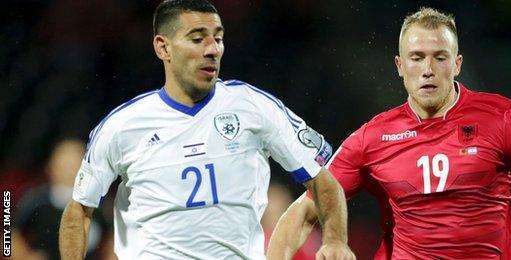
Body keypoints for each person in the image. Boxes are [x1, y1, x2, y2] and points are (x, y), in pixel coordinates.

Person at [267, 7, 511, 260]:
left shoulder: (503, 118)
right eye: (417, 58)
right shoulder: (373, 137)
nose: (428, 69)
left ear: (458, 64)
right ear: (398, 65)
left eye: (440, 57)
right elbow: (301, 212)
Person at [58, 1, 354, 259]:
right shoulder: (122, 126)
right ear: (163, 47)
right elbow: (79, 211)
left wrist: (336, 240)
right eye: (197, 39)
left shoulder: (253, 107)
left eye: (218, 39)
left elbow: (324, 183)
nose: (212, 50)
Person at [14, 138, 112, 260]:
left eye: (74, 163)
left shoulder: (100, 203)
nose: (69, 170)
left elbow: (114, 241)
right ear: (51, 166)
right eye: (64, 163)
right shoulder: (35, 200)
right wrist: (25, 256)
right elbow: (8, 236)